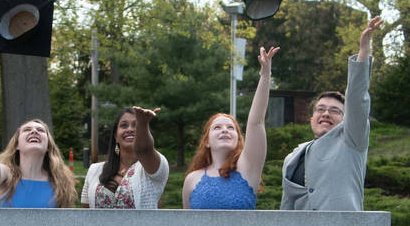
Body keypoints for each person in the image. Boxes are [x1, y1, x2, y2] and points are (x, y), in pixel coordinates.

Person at [280, 16, 382, 211]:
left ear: (346, 119)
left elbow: (357, 99)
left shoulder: (352, 141)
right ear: (311, 119)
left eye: (335, 111)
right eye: (320, 109)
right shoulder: (293, 157)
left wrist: (363, 51)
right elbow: (287, 206)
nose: (326, 114)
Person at [182, 45, 279, 209]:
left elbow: (256, 122)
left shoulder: (248, 168)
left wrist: (265, 75)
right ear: (207, 142)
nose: (225, 130)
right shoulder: (192, 180)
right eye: (217, 127)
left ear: (238, 139)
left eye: (231, 127)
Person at [0, 117, 77, 208]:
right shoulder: (7, 174)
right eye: (27, 130)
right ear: (16, 145)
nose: (34, 131)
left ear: (48, 147)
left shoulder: (60, 181)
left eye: (40, 130)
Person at [81, 106, 169, 209]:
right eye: (124, 125)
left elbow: (144, 149)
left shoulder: (154, 167)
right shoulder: (94, 170)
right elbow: (85, 214)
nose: (130, 129)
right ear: (115, 136)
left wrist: (143, 123)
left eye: (136, 125)